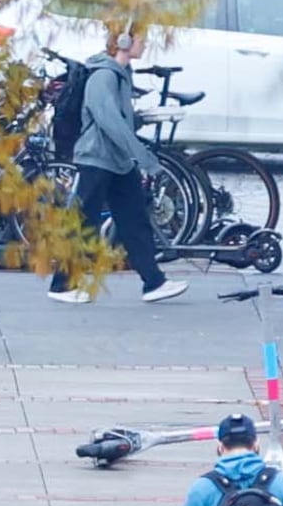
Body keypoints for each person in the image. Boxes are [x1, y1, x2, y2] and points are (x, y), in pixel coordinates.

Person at [46, 30, 183, 305]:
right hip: (97, 158)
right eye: (141, 39)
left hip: (115, 160)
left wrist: (141, 119)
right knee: (84, 221)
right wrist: (141, 155)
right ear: (123, 42)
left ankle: (154, 282)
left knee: (133, 220)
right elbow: (108, 120)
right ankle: (62, 284)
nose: (145, 44)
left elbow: (117, 117)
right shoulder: (104, 76)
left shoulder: (120, 73)